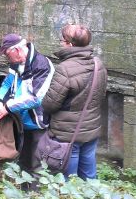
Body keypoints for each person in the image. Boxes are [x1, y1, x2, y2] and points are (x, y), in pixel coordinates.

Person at [42, 24, 108, 179]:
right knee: (89, 177)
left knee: (69, 181)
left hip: (68, 134)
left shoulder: (65, 68)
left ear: (69, 44)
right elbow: (101, 94)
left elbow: (50, 104)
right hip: (91, 128)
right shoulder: (98, 64)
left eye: (62, 39)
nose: (61, 42)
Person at [0, 33, 55, 173]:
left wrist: (8, 107)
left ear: (18, 50)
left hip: (37, 123)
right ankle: (23, 191)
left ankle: (34, 193)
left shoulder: (42, 65)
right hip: (21, 120)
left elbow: (35, 98)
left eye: (8, 54)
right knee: (22, 162)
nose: (7, 58)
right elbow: (8, 83)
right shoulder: (15, 63)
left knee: (36, 165)